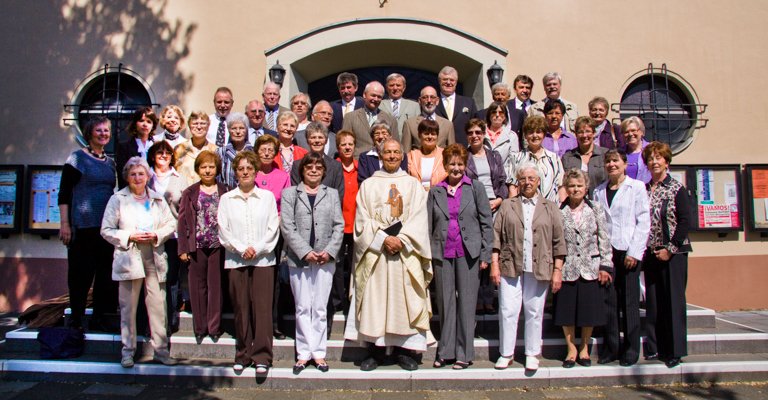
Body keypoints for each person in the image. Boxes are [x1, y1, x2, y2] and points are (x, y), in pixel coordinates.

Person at [344, 138, 433, 371]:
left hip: (405, 252)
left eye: (396, 152)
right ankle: (375, 351)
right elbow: (362, 220)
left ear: (402, 156)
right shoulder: (369, 185)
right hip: (377, 254)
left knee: (405, 300)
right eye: (387, 152)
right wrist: (383, 239)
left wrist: (401, 240)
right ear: (380, 155)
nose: (392, 156)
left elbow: (419, 218)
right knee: (376, 301)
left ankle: (405, 351)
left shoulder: (413, 185)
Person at [100, 156, 177, 368]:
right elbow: (106, 230)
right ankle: (127, 351)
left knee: (158, 305)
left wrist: (156, 235)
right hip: (129, 255)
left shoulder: (157, 199)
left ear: (148, 176)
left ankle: (161, 351)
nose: (137, 178)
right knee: (128, 307)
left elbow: (171, 225)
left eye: (141, 174)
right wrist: (129, 236)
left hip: (153, 254)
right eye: (133, 174)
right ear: (127, 177)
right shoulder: (117, 199)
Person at [490, 162, 566, 371]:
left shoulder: (550, 207)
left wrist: (557, 270)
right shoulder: (507, 205)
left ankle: (532, 352)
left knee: (534, 310)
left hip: (539, 265)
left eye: (531, 178)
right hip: (510, 265)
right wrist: (494, 264)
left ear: (539, 181)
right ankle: (506, 352)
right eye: (523, 178)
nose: (527, 182)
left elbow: (559, 241)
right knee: (507, 310)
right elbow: (496, 236)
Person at [427, 144, 493, 369]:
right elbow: (429, 224)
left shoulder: (475, 188)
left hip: (469, 253)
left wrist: (486, 253)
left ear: (465, 165)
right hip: (443, 252)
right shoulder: (436, 190)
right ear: (445, 165)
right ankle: (445, 351)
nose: (456, 168)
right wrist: (428, 254)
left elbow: (486, 222)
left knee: (466, 302)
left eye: (460, 164)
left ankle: (464, 353)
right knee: (445, 303)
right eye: (451, 164)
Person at [280, 152, 345, 374]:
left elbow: (339, 225)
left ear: (324, 171)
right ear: (302, 170)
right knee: (301, 306)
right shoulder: (290, 194)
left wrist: (329, 251)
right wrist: (305, 251)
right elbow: (287, 226)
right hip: (299, 258)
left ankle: (319, 353)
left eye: (318, 167)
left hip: (325, 259)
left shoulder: (332, 194)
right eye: (309, 167)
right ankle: (303, 353)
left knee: (319, 307)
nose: (314, 170)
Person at [217, 150, 280, 374]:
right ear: (235, 173)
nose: (245, 172)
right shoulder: (226, 199)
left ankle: (262, 355)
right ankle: (243, 353)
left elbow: (273, 228)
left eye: (249, 168)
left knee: (262, 308)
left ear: (255, 171)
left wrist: (258, 249)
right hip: (236, 260)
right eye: (241, 169)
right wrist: (242, 249)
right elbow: (223, 230)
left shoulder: (267, 198)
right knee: (241, 308)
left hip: (263, 260)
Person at [58, 116, 118, 331]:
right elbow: (64, 193)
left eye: (107, 131)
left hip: (105, 228)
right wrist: (65, 224)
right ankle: (76, 317)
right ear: (90, 133)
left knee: (104, 275)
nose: (104, 134)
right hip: (82, 226)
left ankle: (100, 316)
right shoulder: (77, 159)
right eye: (99, 130)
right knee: (80, 274)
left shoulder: (110, 162)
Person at [593, 149, 650, 367]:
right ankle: (612, 347)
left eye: (615, 161)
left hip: (628, 251)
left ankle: (631, 348)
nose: (611, 165)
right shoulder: (599, 191)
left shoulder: (636, 188)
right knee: (609, 302)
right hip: (607, 252)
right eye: (608, 161)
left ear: (625, 164)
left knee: (629, 302)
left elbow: (643, 221)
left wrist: (635, 252)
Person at [554, 169, 613, 368]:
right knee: (567, 311)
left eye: (579, 185)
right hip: (568, 267)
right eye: (571, 186)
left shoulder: (595, 208)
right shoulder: (559, 210)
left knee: (588, 311)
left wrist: (606, 264)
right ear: (566, 188)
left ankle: (584, 348)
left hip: (591, 266)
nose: (575, 189)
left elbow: (604, 237)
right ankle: (571, 349)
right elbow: (557, 241)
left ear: (586, 187)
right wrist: (556, 268)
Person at [642, 141, 692, 368]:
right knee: (654, 303)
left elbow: (685, 222)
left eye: (658, 158)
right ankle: (655, 348)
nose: (654, 162)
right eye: (651, 158)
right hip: (651, 254)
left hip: (674, 254)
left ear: (666, 161)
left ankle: (675, 350)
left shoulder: (677, 188)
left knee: (673, 302)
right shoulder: (644, 189)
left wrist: (670, 249)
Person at [177, 150, 226, 345]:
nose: (207, 170)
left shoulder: (225, 190)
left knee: (216, 287)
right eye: (204, 167)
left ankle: (214, 327)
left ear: (217, 169)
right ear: (198, 169)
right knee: (197, 288)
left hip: (218, 246)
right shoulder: (190, 192)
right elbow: (182, 222)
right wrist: (182, 248)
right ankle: (200, 327)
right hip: (195, 246)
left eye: (211, 167)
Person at [464, 118, 509, 315]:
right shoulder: (464, 157)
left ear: (484, 134)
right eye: (471, 133)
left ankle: (488, 299)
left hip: (494, 205)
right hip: (473, 206)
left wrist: (499, 200)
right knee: (476, 252)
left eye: (478, 132)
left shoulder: (494, 156)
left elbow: (502, 180)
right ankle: (475, 299)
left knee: (491, 250)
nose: (474, 136)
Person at [253, 133, 292, 340]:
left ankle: (275, 323)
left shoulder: (283, 176)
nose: (267, 153)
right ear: (257, 152)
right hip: (252, 233)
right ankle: (255, 322)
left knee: (275, 280)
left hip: (275, 234)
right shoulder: (251, 174)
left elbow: (286, 206)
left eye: (271, 150)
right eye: (263, 149)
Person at [147, 141, 187, 333]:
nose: (163, 155)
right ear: (153, 155)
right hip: (149, 236)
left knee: (171, 280)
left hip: (173, 236)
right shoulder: (145, 176)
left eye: (167, 153)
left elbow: (186, 210)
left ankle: (171, 321)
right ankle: (151, 321)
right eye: (159, 152)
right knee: (152, 280)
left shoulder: (179, 178)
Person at [505, 116, 564, 202]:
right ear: (525, 135)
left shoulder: (554, 158)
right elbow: (512, 188)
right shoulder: (516, 158)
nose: (535, 135)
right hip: (524, 209)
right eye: (531, 132)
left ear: (544, 135)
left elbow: (560, 186)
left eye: (538, 132)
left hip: (550, 209)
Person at [333, 130, 358, 317]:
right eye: (344, 144)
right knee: (338, 265)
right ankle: (337, 301)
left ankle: (352, 301)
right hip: (339, 226)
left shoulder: (361, 168)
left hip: (357, 225)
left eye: (350, 144)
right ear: (338, 147)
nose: (347, 147)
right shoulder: (333, 168)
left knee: (353, 266)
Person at [342, 81, 399, 158]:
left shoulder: (390, 119)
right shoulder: (350, 117)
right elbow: (345, 143)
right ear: (364, 95)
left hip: (383, 162)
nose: (375, 99)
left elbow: (396, 145)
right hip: (358, 162)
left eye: (379, 97)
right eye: (373, 95)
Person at [290, 122, 345, 200]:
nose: (317, 140)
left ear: (326, 141)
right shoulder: (297, 165)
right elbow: (295, 193)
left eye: (320, 137)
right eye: (313, 137)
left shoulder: (336, 166)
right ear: (307, 140)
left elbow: (339, 196)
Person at [560, 116, 608, 196]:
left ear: (594, 133)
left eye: (588, 131)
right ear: (576, 134)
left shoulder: (605, 155)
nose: (584, 135)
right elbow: (563, 185)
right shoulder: (567, 157)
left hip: (600, 201)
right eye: (580, 132)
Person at [401, 86, 455, 151]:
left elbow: (451, 152)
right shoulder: (409, 124)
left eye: (432, 97)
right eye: (425, 97)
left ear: (437, 101)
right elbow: (406, 152)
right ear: (420, 101)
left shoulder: (448, 125)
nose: (429, 101)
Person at [435, 66, 478, 146]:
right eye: (445, 79)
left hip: (463, 150)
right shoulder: (432, 102)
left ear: (456, 82)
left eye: (452, 80)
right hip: (439, 150)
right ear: (439, 81)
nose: (448, 82)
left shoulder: (468, 102)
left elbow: (475, 126)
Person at [116, 106, 158, 188]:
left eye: (149, 122)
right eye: (141, 121)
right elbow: (122, 176)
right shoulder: (124, 147)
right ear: (135, 124)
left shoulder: (157, 146)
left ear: (153, 126)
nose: (145, 124)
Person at [174, 111, 219, 186]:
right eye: (195, 123)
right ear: (189, 126)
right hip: (184, 193)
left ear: (208, 126)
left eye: (202, 123)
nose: (199, 127)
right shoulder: (179, 149)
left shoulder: (215, 150)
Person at [406, 119, 448, 190]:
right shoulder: (411, 156)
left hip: (439, 195)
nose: (430, 137)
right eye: (426, 133)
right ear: (419, 135)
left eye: (433, 134)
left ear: (437, 136)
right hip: (417, 195)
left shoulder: (445, 155)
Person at [216, 112, 253, 190]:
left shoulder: (254, 152)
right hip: (227, 196)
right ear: (229, 130)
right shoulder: (220, 152)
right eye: (234, 128)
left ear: (246, 130)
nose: (238, 131)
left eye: (241, 128)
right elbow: (217, 179)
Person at [483, 101, 520, 166]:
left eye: (501, 112)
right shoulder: (480, 133)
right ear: (489, 115)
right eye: (494, 112)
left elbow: (514, 161)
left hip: (504, 174)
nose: (497, 115)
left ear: (505, 116)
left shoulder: (512, 136)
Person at [622, 116, 651, 183]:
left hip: (647, 191)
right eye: (626, 132)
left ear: (641, 132)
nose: (630, 134)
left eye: (633, 130)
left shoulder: (651, 150)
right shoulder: (619, 153)